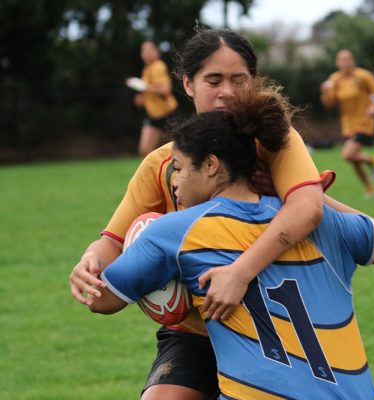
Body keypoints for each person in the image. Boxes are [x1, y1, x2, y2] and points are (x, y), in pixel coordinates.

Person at [70, 28, 333, 400]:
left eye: (238, 79)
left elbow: (308, 209)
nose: (226, 91)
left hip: (277, 323)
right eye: (213, 80)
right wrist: (91, 261)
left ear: (254, 83)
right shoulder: (161, 164)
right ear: (188, 84)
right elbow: (113, 241)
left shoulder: (276, 143)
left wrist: (240, 274)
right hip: (200, 330)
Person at [88, 85, 374, 399]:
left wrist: (149, 275)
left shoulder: (174, 232)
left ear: (210, 165)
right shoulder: (322, 222)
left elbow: (102, 300)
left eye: (178, 169)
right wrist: (311, 197)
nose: (175, 181)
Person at [320, 49, 374, 198]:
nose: (345, 63)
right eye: (341, 60)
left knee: (348, 154)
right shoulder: (334, 79)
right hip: (348, 125)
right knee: (354, 160)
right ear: (337, 63)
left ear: (353, 61)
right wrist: (324, 92)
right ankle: (370, 189)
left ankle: (373, 160)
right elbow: (329, 103)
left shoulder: (363, 76)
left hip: (364, 121)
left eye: (348, 59)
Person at [128, 40, 179, 157]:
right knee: (144, 150)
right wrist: (142, 98)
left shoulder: (158, 66)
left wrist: (143, 86)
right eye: (144, 51)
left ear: (157, 52)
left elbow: (165, 89)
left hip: (168, 114)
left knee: (176, 152)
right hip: (153, 116)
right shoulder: (147, 69)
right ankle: (156, 173)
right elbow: (150, 91)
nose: (147, 53)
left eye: (150, 50)